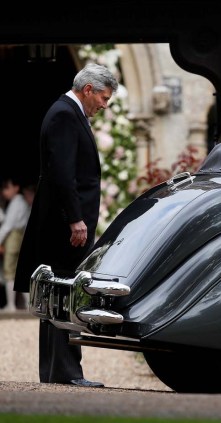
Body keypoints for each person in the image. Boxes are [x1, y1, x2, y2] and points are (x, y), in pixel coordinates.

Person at [14, 63, 118, 388]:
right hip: (64, 225)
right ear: (88, 90)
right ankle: (66, 372)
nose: (104, 104)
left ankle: (57, 371)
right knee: (65, 294)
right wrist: (76, 218)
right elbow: (62, 172)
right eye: (103, 97)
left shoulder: (68, 113)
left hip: (63, 222)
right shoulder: (64, 114)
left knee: (58, 295)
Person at [0, 178, 29, 312]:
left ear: (16, 187)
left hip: (13, 237)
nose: (4, 192)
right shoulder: (21, 202)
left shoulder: (16, 202)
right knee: (18, 271)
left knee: (9, 271)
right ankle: (27, 304)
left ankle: (11, 305)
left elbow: (8, 225)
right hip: (19, 237)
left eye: (7, 188)